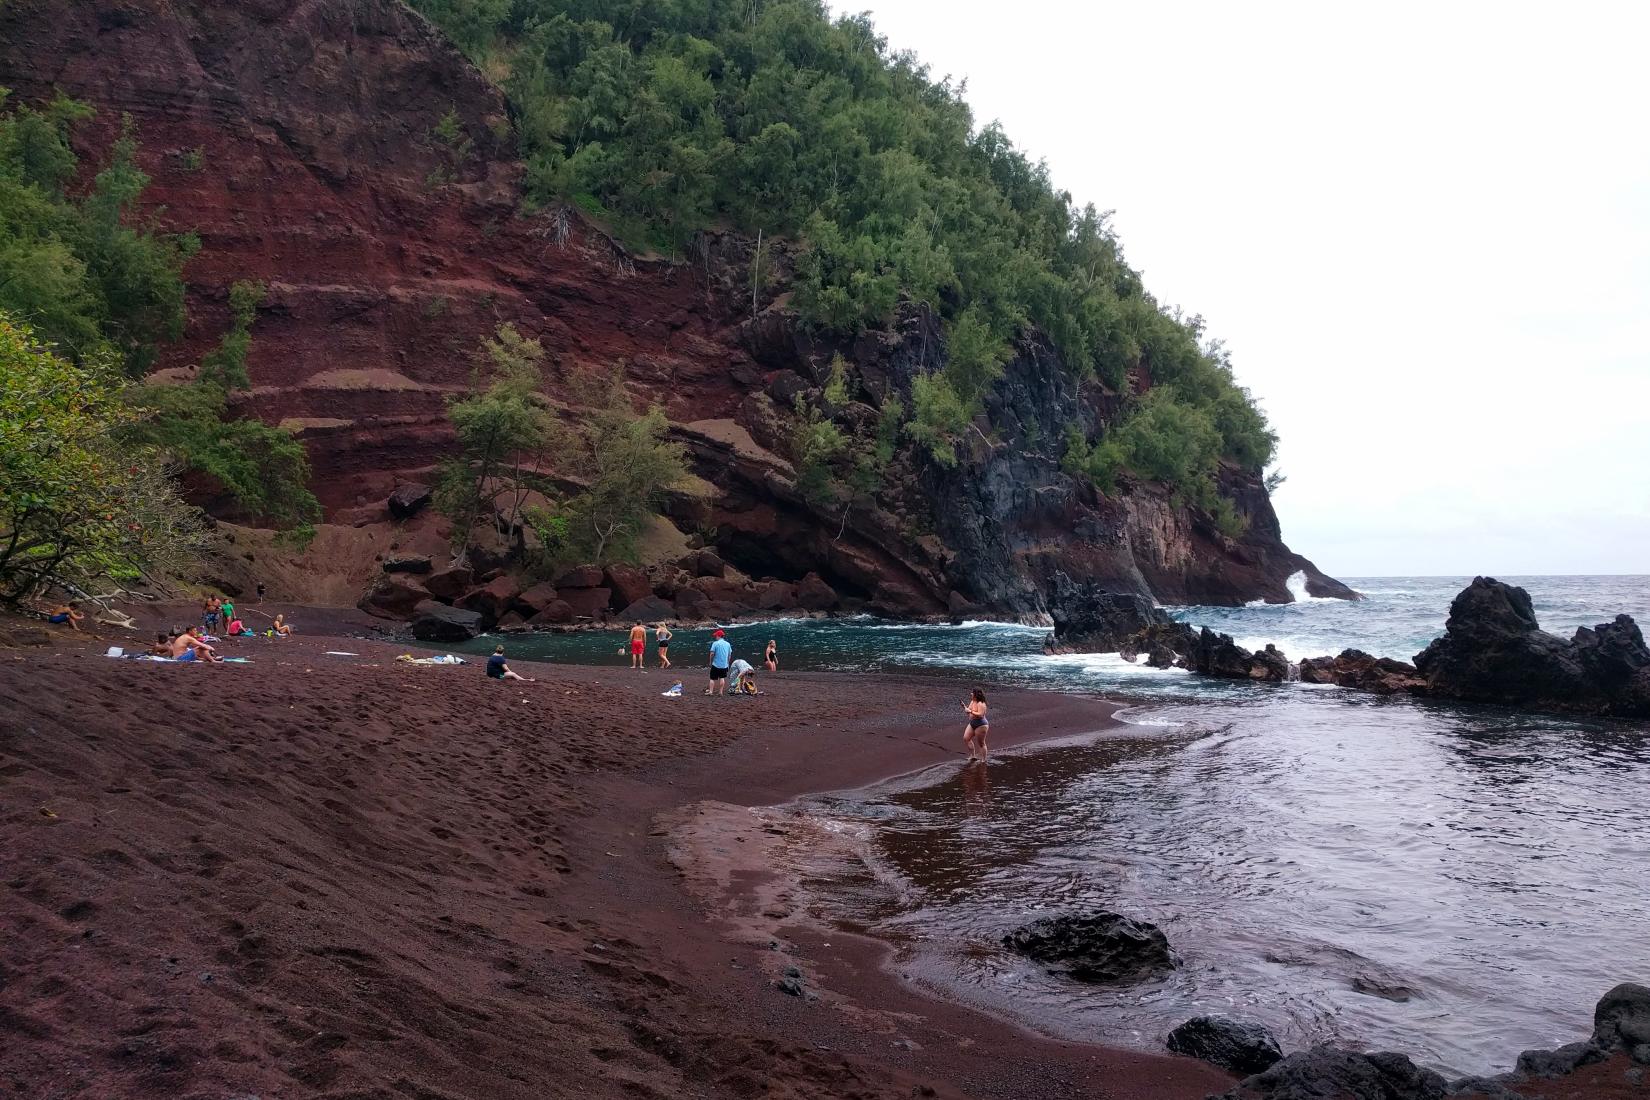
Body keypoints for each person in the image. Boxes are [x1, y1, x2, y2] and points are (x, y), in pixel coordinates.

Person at [962, 689, 990, 761]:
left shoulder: (981, 703)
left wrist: (970, 711)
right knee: (966, 738)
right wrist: (965, 707)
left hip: (981, 724)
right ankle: (973, 756)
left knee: (981, 743)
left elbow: (980, 715)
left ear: (976, 694)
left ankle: (983, 760)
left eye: (972, 693)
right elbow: (969, 712)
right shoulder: (972, 701)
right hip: (972, 722)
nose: (971, 694)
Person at [706, 629, 732, 695]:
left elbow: (712, 653)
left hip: (716, 664)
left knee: (712, 678)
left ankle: (711, 692)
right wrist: (727, 663)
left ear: (719, 636)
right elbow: (729, 655)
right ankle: (720, 692)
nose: (715, 637)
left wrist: (710, 661)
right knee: (722, 678)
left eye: (716, 636)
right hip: (724, 665)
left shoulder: (715, 643)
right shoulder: (728, 644)